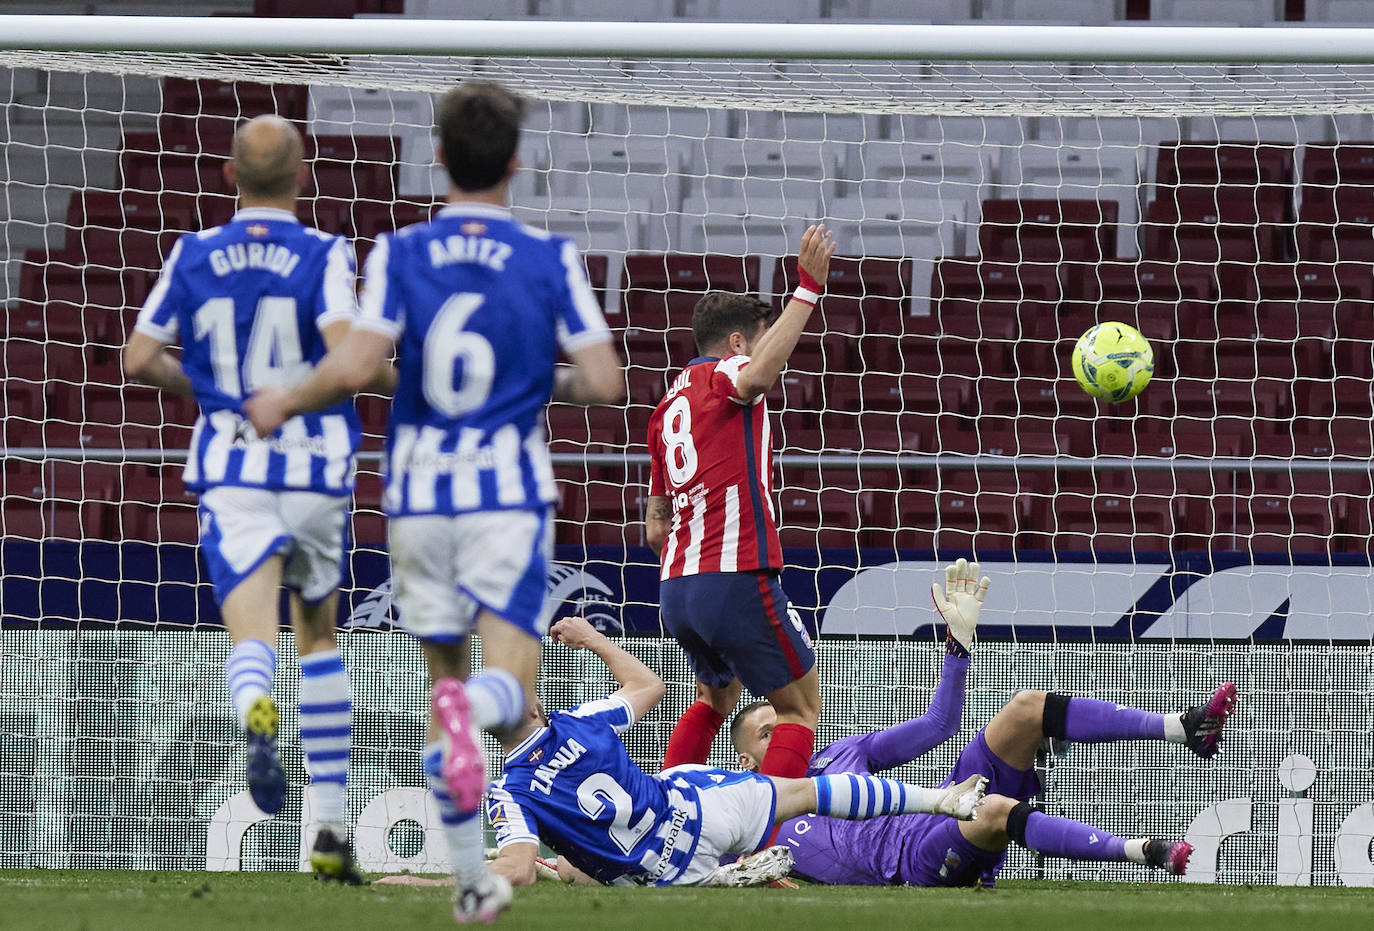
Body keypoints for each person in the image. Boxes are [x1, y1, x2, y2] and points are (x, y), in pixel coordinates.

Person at [244, 81, 623, 922]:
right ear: (516, 162)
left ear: (439, 157)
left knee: (443, 672)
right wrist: (529, 379)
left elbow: (351, 369)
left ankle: (473, 881)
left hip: (417, 493)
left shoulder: (398, 253)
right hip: (509, 492)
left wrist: (282, 399)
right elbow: (602, 379)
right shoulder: (549, 257)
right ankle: (474, 717)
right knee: (505, 684)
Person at [122, 114, 390, 883]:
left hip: (233, 467)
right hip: (312, 468)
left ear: (231, 176)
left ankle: (254, 718)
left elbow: (139, 357)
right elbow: (349, 357)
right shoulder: (322, 253)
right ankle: (329, 832)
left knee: (252, 636)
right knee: (318, 639)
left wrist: (212, 391)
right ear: (302, 177)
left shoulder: (193, 253)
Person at [729, 563, 1240, 886]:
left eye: (785, 719)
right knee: (992, 809)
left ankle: (1184, 727)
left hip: (945, 803)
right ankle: (1145, 853)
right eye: (768, 731)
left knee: (1024, 708)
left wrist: (958, 643)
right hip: (912, 860)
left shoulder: (842, 754)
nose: (787, 731)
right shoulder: (745, 817)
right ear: (745, 759)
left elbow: (939, 724)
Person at [482, 616, 987, 890]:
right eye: (763, 732)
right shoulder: (580, 724)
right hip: (711, 818)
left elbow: (939, 725)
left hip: (669, 865)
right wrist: (594, 638)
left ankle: (942, 803)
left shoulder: (506, 791)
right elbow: (665, 693)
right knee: (754, 765)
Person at [644, 225, 837, 785]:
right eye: (760, 334)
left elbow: (656, 525)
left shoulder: (666, 405)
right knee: (801, 708)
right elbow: (757, 376)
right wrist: (807, 291)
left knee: (716, 695)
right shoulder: (725, 372)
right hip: (731, 574)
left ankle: (665, 828)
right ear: (734, 343)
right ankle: (766, 848)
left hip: (676, 587)